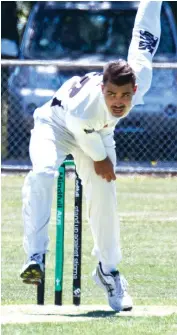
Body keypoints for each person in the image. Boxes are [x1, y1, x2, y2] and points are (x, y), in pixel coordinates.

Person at [20, 1, 162, 312]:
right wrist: (101, 157)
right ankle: (35, 256)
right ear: (102, 88)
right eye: (111, 94)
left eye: (125, 95)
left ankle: (108, 272)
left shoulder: (141, 79)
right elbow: (85, 138)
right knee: (43, 172)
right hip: (55, 124)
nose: (119, 102)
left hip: (98, 132)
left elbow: (144, 35)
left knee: (105, 191)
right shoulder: (86, 105)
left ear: (135, 88)